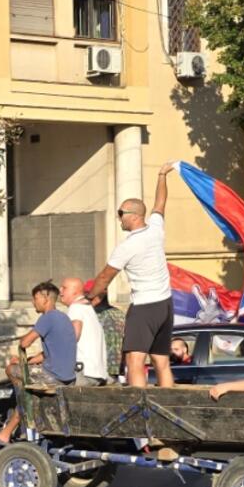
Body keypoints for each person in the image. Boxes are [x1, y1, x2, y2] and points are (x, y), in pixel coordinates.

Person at [87, 165, 176, 388]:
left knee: (134, 360)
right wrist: (162, 175)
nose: (119, 218)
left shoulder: (127, 246)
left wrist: (89, 297)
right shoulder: (156, 229)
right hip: (165, 304)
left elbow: (105, 277)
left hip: (145, 306)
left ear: (135, 216)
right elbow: (160, 203)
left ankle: (140, 410)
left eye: (121, 214)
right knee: (161, 360)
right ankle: (171, 404)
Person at [0, 280, 78, 445]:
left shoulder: (47, 317)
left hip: (53, 377)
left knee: (11, 370)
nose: (33, 302)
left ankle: (23, 410)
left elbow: (25, 343)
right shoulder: (63, 318)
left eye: (35, 298)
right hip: (68, 376)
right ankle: (24, 411)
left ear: (46, 298)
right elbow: (48, 355)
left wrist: (21, 347)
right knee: (21, 369)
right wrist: (28, 361)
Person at [59, 275, 108, 383]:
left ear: (75, 291)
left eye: (64, 288)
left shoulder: (76, 308)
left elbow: (73, 336)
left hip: (83, 371)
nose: (60, 291)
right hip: (97, 372)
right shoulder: (87, 308)